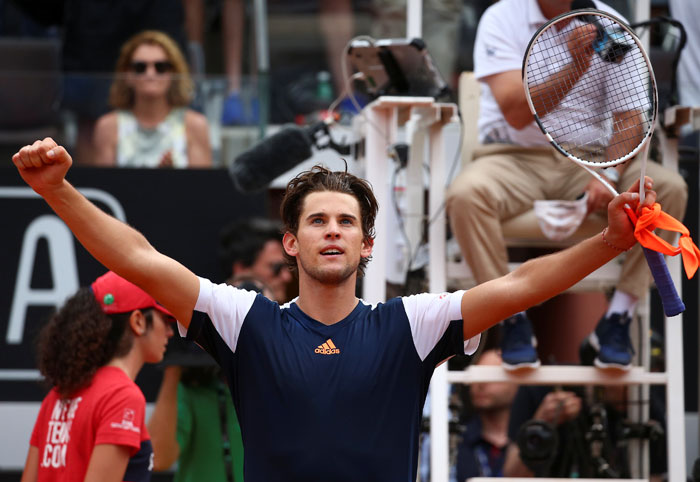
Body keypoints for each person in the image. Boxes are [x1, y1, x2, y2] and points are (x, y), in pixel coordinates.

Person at [13, 136, 654, 481]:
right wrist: (58, 191)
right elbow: (140, 260)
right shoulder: (244, 320)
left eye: (346, 222)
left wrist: (609, 241)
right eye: (316, 220)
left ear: (367, 244)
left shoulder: (412, 323)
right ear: (291, 242)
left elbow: (522, 286)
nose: (332, 230)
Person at [446, 0, 688, 371]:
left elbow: (629, 119)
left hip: (591, 159)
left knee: (668, 189)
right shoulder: (500, 17)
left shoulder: (612, 22)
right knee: (465, 194)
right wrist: (576, 64)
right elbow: (514, 108)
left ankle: (617, 319)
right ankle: (511, 318)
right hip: (514, 157)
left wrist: (608, 173)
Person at [147, 218, 291, 482]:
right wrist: (176, 365)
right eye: (276, 268)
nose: (287, 276)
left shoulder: (291, 351)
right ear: (241, 271)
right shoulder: (194, 373)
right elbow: (159, 458)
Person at [20, 271, 175, 482]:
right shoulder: (123, 396)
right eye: (165, 319)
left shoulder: (56, 396)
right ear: (138, 321)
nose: (170, 331)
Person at [93, 30, 212, 168]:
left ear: (173, 74)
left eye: (160, 67)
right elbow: (103, 186)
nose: (150, 73)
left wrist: (173, 177)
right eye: (140, 67)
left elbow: (201, 187)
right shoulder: (108, 127)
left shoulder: (195, 125)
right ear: (127, 75)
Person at [454, 348, 518, 480]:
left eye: (492, 375)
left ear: (518, 383)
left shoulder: (528, 437)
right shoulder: (455, 438)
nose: (481, 384)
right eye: (476, 375)